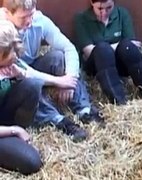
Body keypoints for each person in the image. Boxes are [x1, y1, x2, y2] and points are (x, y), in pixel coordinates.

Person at [0, 0, 104, 142]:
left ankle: (84, 110)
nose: (29, 21)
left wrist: (70, 79)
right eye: (23, 17)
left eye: (31, 14)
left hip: (31, 67)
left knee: (58, 57)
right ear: (7, 13)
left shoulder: (39, 20)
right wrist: (60, 82)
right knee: (31, 85)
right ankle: (59, 121)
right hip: (14, 78)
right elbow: (24, 70)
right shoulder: (4, 31)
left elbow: (68, 47)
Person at [74, 0, 142, 105]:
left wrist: (120, 45)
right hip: (97, 65)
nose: (104, 12)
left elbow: (131, 45)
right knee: (103, 49)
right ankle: (119, 103)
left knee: (127, 47)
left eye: (109, 8)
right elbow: (88, 51)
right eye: (99, 8)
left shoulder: (122, 14)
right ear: (91, 3)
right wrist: (116, 45)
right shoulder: (82, 18)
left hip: (119, 63)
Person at [0, 19, 42, 175]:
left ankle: (19, 135)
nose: (8, 67)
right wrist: (13, 130)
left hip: (4, 116)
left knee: (32, 85)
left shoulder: (10, 57)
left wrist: (19, 75)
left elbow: (31, 78)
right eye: (3, 64)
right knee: (32, 162)